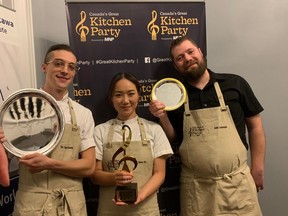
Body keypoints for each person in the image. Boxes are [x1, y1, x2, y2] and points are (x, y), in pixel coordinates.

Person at [149, 36, 266, 216]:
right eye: (180, 58)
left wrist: (257, 167)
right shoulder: (175, 96)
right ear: (175, 66)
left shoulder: (235, 84)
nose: (187, 59)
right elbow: (173, 137)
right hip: (196, 190)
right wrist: (162, 116)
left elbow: (255, 126)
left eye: (190, 52)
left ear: (200, 53)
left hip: (237, 185)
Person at [0, 44, 96, 215]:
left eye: (71, 67)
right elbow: (3, 168)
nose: (65, 70)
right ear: (44, 67)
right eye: (58, 63)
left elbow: (89, 167)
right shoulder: (18, 110)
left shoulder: (83, 114)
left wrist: (50, 164)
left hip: (71, 206)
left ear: (74, 73)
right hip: (31, 205)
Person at [90, 72, 173, 216]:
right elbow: (95, 175)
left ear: (139, 95)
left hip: (146, 211)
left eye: (131, 94)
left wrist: (140, 196)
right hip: (109, 211)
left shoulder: (154, 129)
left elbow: (159, 173)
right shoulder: (100, 131)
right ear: (111, 98)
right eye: (118, 95)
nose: (125, 100)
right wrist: (114, 178)